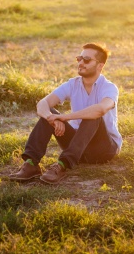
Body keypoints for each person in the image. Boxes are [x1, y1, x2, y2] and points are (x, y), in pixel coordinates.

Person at [9, 43, 122, 184]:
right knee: (48, 113)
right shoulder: (72, 84)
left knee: (93, 116)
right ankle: (31, 164)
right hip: (77, 146)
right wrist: (52, 119)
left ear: (100, 66)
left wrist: (64, 117)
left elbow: (100, 109)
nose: (81, 63)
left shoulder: (109, 88)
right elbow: (42, 104)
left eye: (86, 60)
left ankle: (62, 165)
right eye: (79, 58)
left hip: (103, 150)